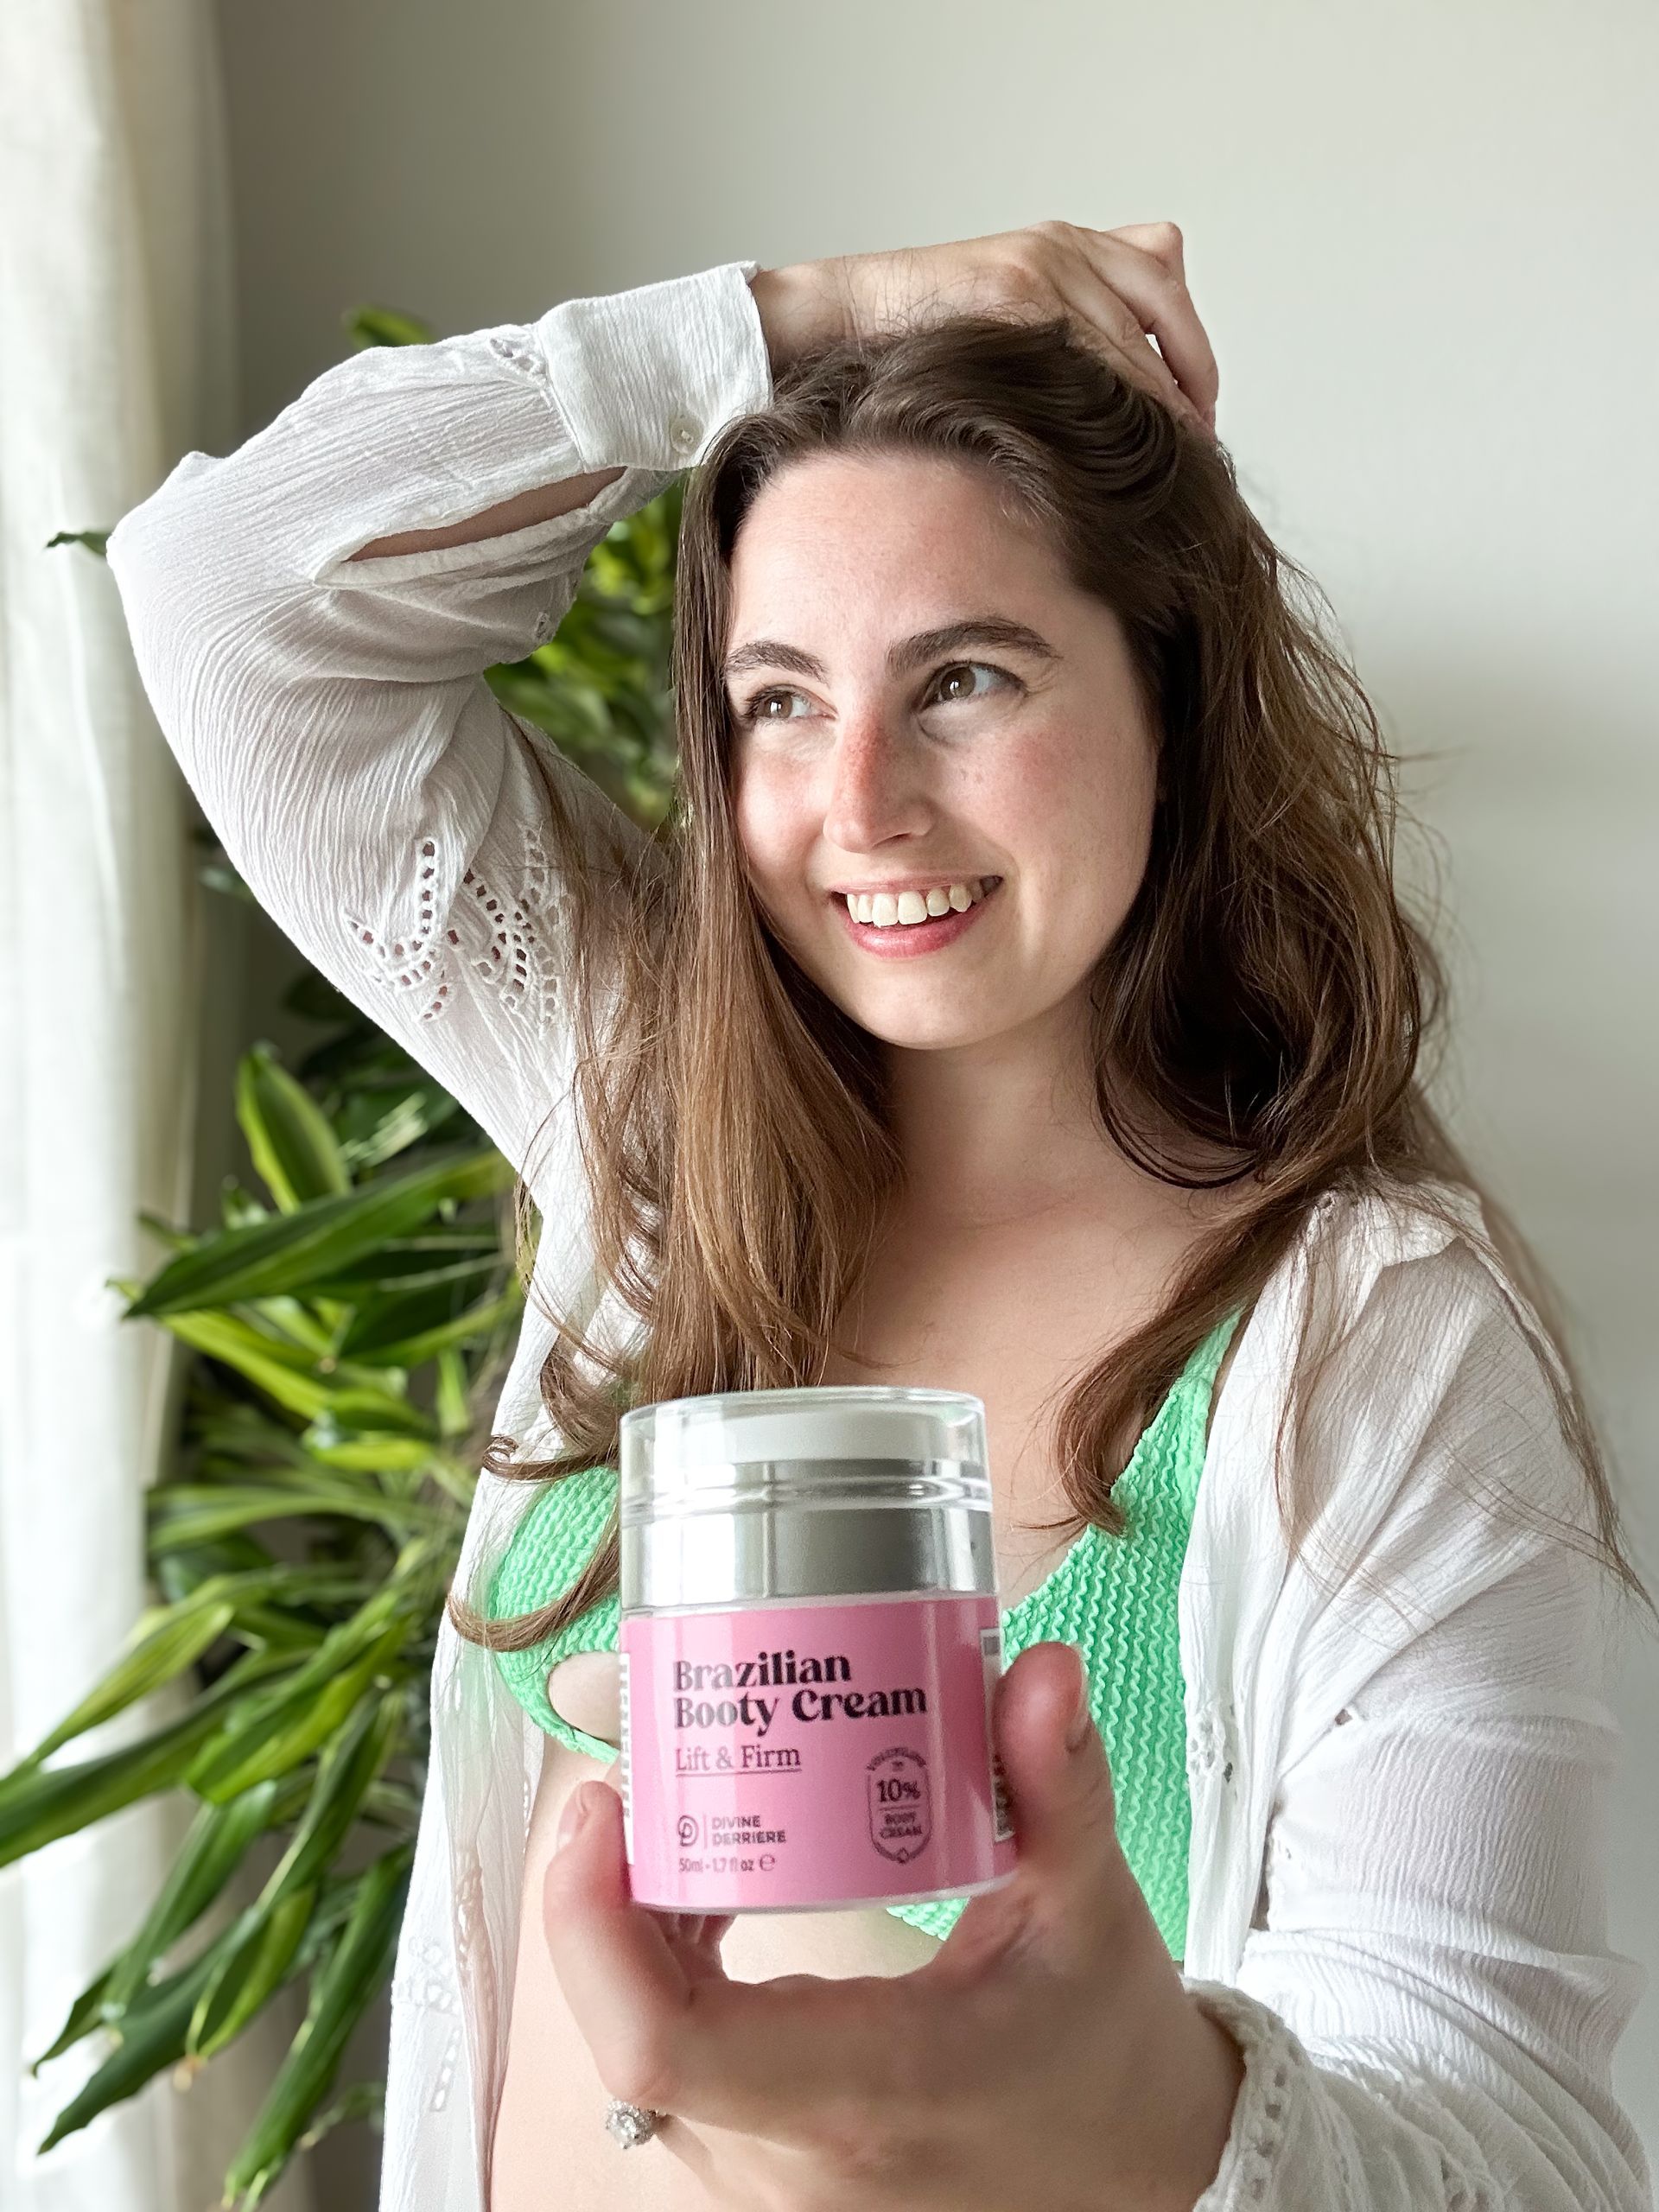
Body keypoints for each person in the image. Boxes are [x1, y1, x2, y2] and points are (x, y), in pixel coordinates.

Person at [105, 223, 1653, 2211]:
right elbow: (230, 594)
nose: (862, 804)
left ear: (1171, 701)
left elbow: (1519, 2157)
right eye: (775, 700)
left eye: (966, 680)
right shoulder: (643, 1124)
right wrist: (800, 324)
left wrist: (1140, 2113)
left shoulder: (1364, 1339)